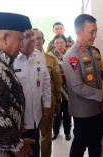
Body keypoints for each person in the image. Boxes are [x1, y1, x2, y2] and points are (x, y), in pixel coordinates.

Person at [62, 14, 103, 157]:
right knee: (79, 146)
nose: (95, 35)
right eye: (91, 32)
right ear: (78, 31)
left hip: (99, 110)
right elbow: (77, 86)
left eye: (96, 31)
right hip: (83, 113)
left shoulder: (95, 52)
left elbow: (102, 71)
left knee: (96, 143)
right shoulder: (72, 56)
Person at [0, 12, 35, 157]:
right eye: (20, 40)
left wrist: (15, 123)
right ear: (5, 38)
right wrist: (18, 145)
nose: (22, 46)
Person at [13, 23, 51, 157]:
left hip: (36, 115)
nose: (33, 39)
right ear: (19, 39)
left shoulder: (38, 55)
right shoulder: (11, 59)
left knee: (35, 149)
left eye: (33, 36)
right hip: (18, 121)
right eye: (28, 36)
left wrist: (47, 103)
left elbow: (45, 81)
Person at [33, 28, 62, 157]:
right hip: (30, 103)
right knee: (32, 135)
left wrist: (58, 100)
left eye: (39, 38)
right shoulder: (22, 58)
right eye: (33, 38)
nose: (36, 41)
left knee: (46, 135)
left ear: (43, 41)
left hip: (47, 102)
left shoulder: (51, 59)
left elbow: (57, 81)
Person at [48, 34, 72, 141]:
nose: (59, 45)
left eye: (61, 42)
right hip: (55, 89)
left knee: (67, 113)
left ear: (65, 43)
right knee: (56, 112)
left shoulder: (70, 54)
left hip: (68, 89)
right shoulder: (50, 55)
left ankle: (67, 132)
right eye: (57, 42)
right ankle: (55, 131)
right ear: (53, 44)